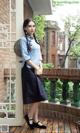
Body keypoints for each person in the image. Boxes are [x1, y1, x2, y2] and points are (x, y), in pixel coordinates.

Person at [20, 18, 47, 130]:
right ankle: (29, 116)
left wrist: (40, 67)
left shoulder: (35, 40)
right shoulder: (23, 40)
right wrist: (36, 67)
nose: (32, 28)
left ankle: (35, 121)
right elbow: (26, 57)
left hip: (36, 70)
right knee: (39, 96)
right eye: (30, 26)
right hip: (29, 70)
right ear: (25, 28)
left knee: (37, 96)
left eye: (33, 26)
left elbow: (39, 56)